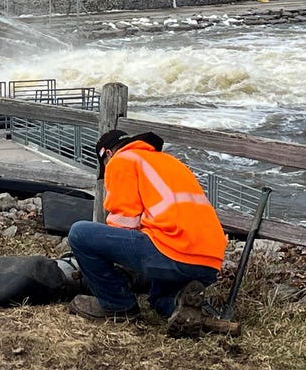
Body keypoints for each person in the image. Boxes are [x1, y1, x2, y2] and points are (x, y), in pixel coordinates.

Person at [67, 129, 226, 336]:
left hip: (172, 249)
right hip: (209, 262)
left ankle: (118, 305)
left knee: (80, 233)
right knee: (158, 300)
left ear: (107, 155)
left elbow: (124, 223)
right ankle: (184, 310)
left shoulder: (122, 160)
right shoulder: (169, 162)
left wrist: (102, 266)